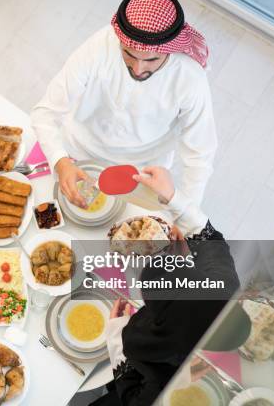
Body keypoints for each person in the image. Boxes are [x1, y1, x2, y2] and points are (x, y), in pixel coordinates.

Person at [31, 0, 216, 208]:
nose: (138, 69)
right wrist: (60, 161)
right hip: (78, 153)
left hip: (142, 172)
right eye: (129, 54)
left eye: (151, 60)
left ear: (170, 49)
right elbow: (44, 112)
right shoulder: (98, 48)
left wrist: (185, 210)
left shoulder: (190, 78)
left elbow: (200, 154)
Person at [92, 167, 240, 405]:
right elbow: (208, 237)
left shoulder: (150, 354)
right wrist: (172, 196)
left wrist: (114, 331)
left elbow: (132, 397)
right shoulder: (224, 288)